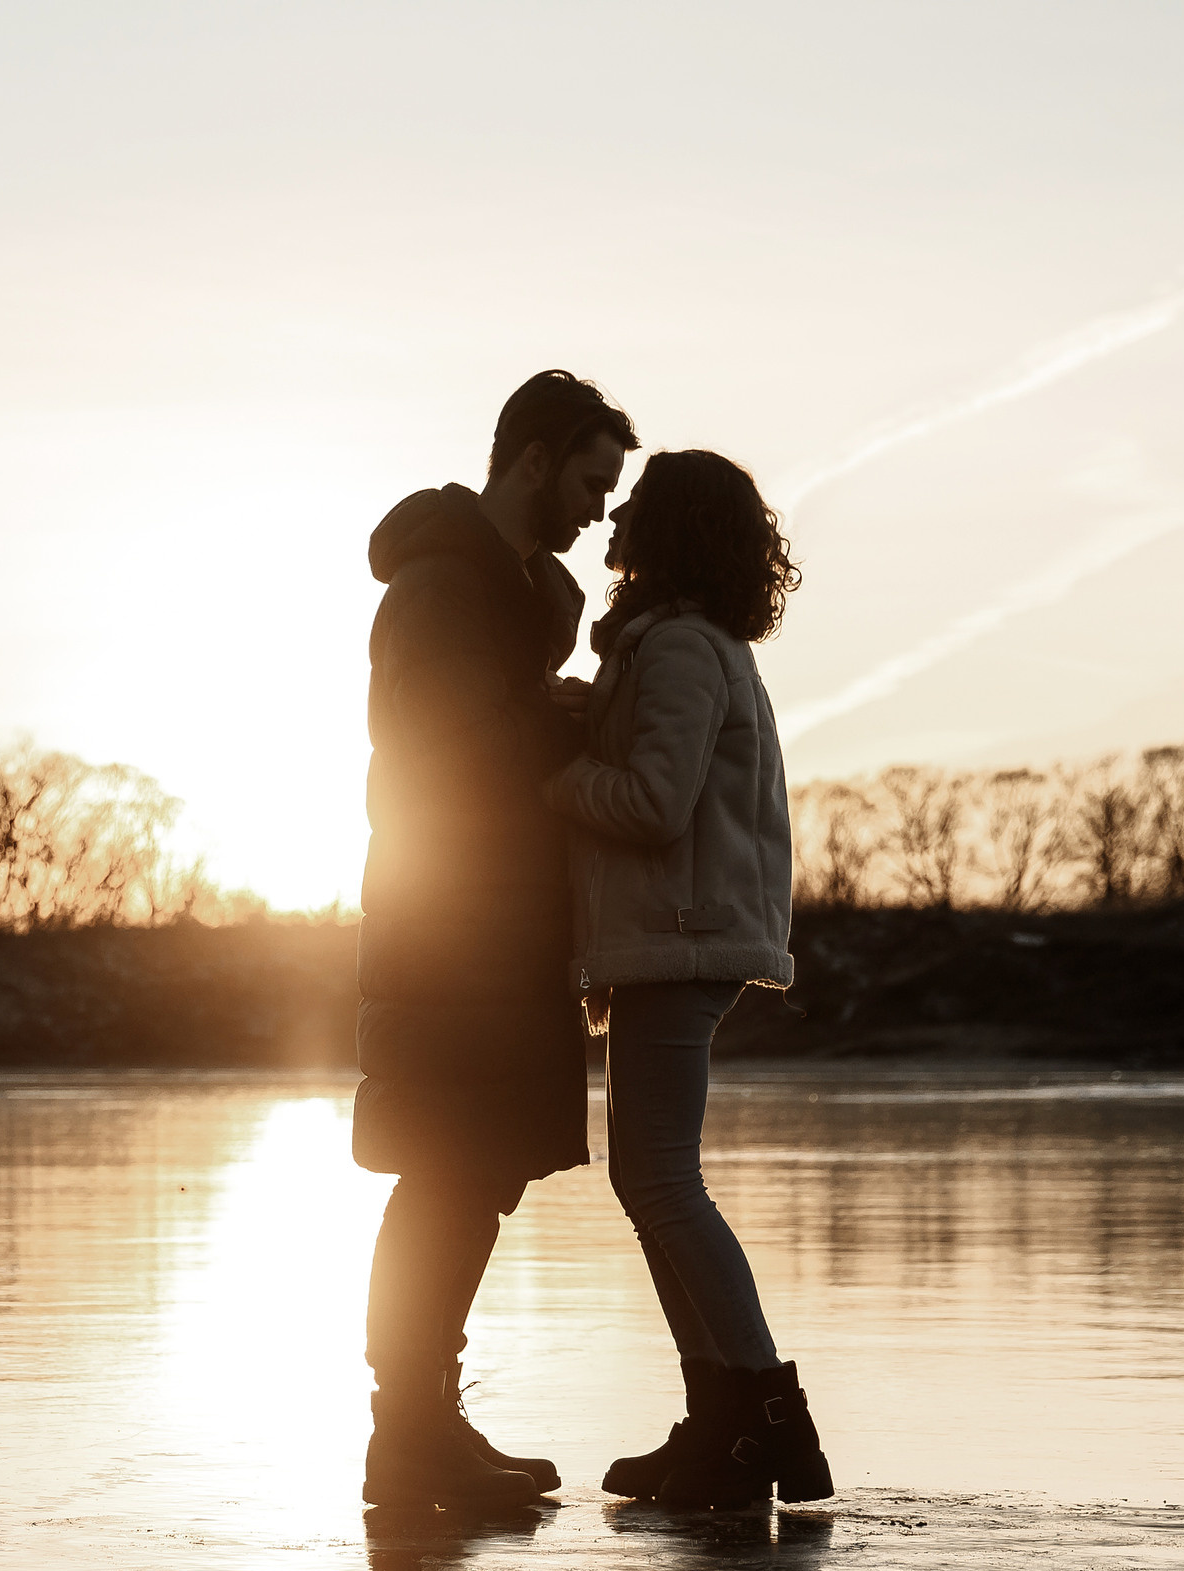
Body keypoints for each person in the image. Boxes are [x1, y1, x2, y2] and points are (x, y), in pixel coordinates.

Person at [355, 370, 635, 1507]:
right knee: (443, 1171)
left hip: (510, 926)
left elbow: (493, 723)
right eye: (588, 478)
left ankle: (423, 1420)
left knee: (477, 1178)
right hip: (443, 926)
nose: (600, 508)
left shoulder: (530, 595)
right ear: (532, 460)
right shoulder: (435, 583)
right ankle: (406, 1428)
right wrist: (558, 715)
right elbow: (435, 740)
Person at [542, 449, 832, 1507]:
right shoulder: (679, 647)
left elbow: (655, 804)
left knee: (662, 1182)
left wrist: (548, 772)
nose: (613, 513)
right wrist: (585, 723)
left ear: (667, 532)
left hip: (683, 936)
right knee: (650, 1181)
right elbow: (661, 768)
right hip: (679, 936)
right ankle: (722, 1417)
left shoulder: (677, 648)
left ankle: (765, 1421)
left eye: (637, 504)